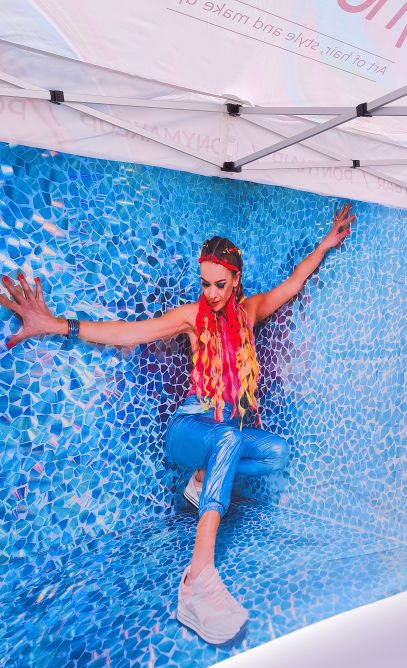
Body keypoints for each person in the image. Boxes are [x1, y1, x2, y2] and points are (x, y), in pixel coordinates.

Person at [1, 203, 355, 644]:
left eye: (220, 284)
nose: (211, 293)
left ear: (236, 280)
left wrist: (325, 244)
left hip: (222, 434)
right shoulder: (192, 317)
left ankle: (201, 480)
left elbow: (295, 281)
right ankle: (198, 578)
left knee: (275, 452)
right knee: (228, 437)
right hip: (189, 427)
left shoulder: (250, 313)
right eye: (205, 283)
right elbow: (130, 331)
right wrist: (57, 325)